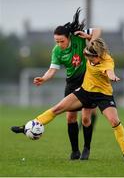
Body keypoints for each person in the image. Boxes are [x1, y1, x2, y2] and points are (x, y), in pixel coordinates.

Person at [11, 38, 124, 162]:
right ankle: (27, 127)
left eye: (91, 58)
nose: (88, 59)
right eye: (87, 57)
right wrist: (84, 35)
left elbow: (110, 72)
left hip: (103, 95)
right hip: (84, 92)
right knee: (57, 109)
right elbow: (90, 36)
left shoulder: (107, 61)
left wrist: (113, 77)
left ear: (99, 56)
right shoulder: (88, 52)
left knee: (114, 121)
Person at [11, 8, 101, 160]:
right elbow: (52, 70)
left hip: (88, 82)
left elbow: (98, 30)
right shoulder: (57, 51)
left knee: (86, 118)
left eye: (62, 41)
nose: (59, 44)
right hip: (72, 83)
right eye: (56, 41)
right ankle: (75, 151)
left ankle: (86, 148)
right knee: (70, 118)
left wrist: (89, 38)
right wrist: (44, 78)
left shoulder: (78, 37)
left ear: (68, 37)